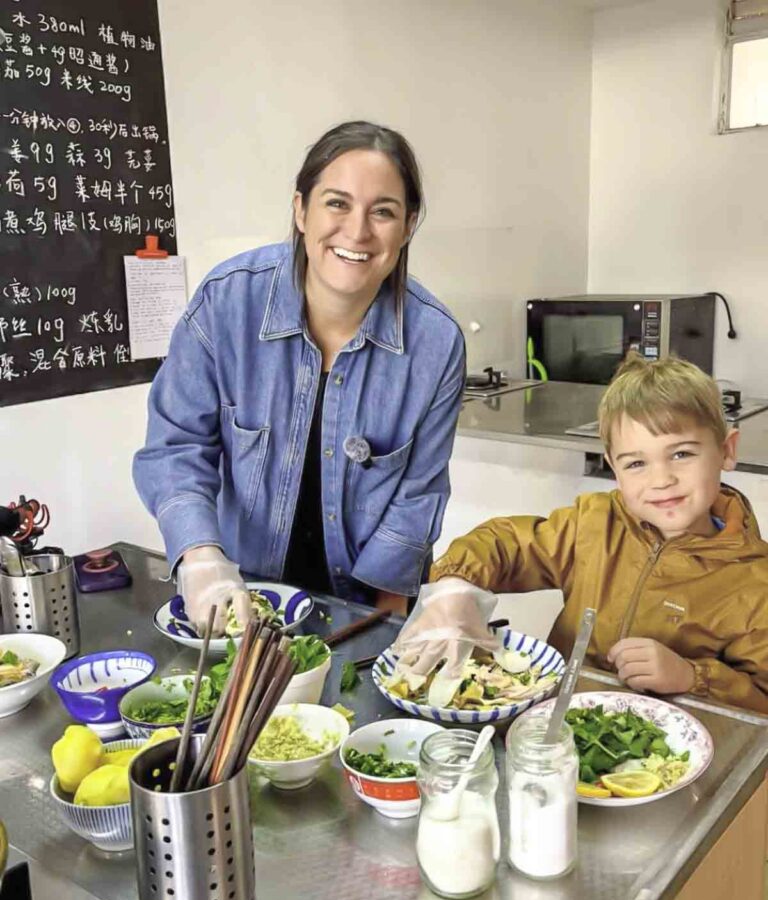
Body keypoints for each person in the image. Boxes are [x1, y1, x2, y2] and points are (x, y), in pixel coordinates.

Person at [133, 121, 466, 635]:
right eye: (337, 203)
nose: (357, 231)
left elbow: (417, 498)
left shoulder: (436, 342)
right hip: (243, 601)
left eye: (383, 211)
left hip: (359, 605)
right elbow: (176, 447)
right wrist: (201, 560)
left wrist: (383, 637)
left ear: (408, 225)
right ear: (300, 209)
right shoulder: (227, 303)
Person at [394, 354, 768, 713]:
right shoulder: (593, 523)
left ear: (726, 451)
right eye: (637, 463)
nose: (661, 480)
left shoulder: (755, 582)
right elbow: (502, 543)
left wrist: (693, 676)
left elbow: (761, 701)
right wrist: (455, 591)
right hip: (561, 725)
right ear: (614, 469)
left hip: (668, 760)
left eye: (682, 454)